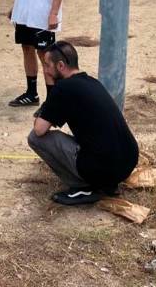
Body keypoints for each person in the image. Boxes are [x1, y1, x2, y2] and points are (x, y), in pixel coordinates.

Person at [28, 41, 139, 205]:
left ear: (60, 65)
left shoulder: (63, 88)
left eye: (47, 65)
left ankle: (84, 186)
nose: (45, 70)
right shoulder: (91, 81)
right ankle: (104, 182)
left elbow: (39, 130)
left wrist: (47, 103)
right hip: (127, 161)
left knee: (35, 138)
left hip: (103, 168)